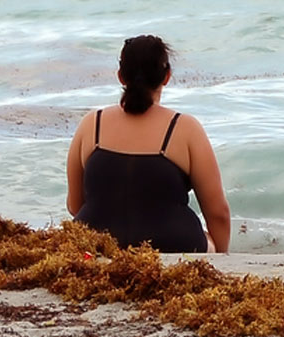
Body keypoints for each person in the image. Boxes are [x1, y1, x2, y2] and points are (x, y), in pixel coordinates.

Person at [65, 35, 231, 253]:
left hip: (95, 246)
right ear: (167, 76)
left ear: (121, 76)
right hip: (174, 245)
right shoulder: (185, 128)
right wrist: (221, 255)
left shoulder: (91, 125)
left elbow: (75, 205)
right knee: (208, 241)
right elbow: (218, 213)